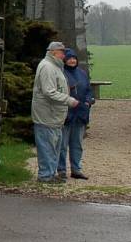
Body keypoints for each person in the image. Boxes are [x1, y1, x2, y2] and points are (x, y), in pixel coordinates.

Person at [31, 41, 79, 183]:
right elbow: (49, 92)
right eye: (61, 52)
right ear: (53, 52)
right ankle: (46, 176)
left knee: (54, 147)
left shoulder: (55, 66)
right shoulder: (47, 67)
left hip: (54, 116)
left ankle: (51, 174)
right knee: (47, 146)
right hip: (47, 115)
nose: (64, 55)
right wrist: (69, 100)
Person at [57, 48, 94, 180]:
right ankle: (61, 170)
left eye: (74, 58)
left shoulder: (82, 73)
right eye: (69, 58)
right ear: (64, 60)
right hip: (67, 113)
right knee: (62, 145)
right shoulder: (61, 74)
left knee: (77, 144)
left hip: (81, 113)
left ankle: (76, 169)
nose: (72, 61)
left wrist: (89, 101)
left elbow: (89, 90)